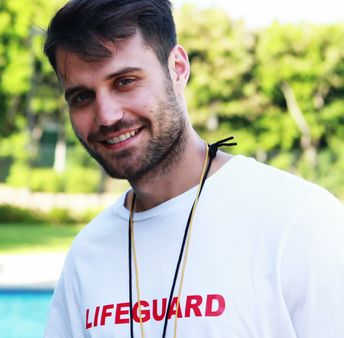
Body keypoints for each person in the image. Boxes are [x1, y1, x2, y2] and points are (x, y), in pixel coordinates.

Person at [41, 0, 344, 337]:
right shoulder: (87, 254)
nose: (107, 115)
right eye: (82, 97)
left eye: (125, 81)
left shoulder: (300, 221)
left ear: (178, 68)